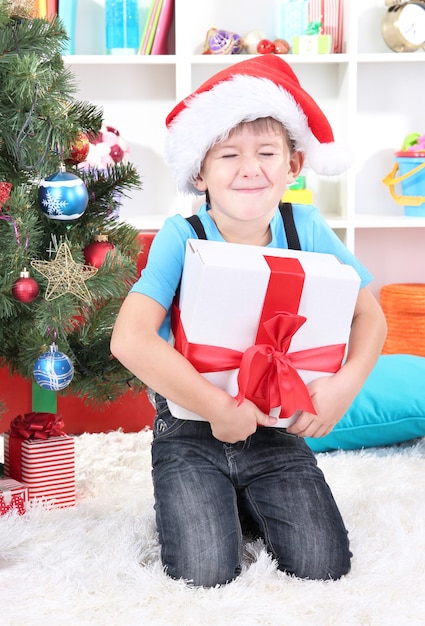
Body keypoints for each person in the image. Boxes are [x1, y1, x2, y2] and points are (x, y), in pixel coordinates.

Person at [111, 54, 387, 587]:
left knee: (322, 565)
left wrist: (342, 388)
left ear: (293, 166)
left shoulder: (304, 226)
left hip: (276, 432)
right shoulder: (182, 233)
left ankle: (241, 498)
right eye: (229, 155)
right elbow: (130, 339)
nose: (250, 168)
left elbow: (369, 315)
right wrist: (216, 407)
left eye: (267, 153)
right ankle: (204, 495)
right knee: (205, 572)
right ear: (200, 171)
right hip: (190, 429)